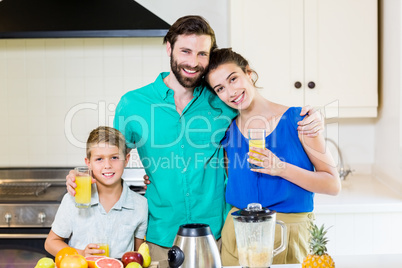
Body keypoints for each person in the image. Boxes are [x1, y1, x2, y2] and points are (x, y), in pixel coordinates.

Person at [66, 15, 323, 261]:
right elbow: (109, 156)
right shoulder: (133, 104)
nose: (193, 62)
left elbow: (262, 112)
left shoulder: (222, 98)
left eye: (202, 53)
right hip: (160, 235)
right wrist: (85, 175)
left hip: (219, 235)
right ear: (169, 48)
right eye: (185, 51)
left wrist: (308, 116)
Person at [204, 48, 341, 265]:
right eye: (220, 88)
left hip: (289, 234)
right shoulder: (226, 130)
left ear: (249, 73)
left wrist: (281, 168)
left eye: (233, 79)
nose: (230, 92)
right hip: (237, 233)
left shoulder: (300, 120)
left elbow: (332, 184)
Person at [45, 126, 148, 258]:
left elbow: (138, 255)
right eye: (99, 159)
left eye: (114, 157)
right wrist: (81, 254)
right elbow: (51, 243)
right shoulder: (73, 199)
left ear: (126, 159)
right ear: (88, 163)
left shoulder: (140, 205)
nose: (107, 165)